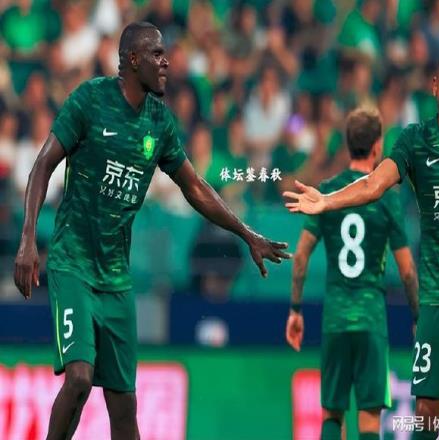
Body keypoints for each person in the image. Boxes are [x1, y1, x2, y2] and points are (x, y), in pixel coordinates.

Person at [13, 21, 291, 440]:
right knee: (80, 377)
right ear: (132, 60)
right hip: (73, 265)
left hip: (116, 278)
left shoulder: (159, 122)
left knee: (125, 408)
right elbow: (42, 166)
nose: (166, 62)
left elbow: (194, 186)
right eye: (157, 54)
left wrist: (247, 233)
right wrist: (28, 239)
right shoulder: (90, 100)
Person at [284, 44, 439, 440]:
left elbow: (303, 256)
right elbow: (373, 184)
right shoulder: (415, 141)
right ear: (434, 86)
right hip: (435, 303)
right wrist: (327, 201)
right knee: (425, 418)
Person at [286, 108, 419, 440]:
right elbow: (407, 271)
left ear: (348, 145)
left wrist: (296, 309)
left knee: (332, 413)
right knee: (370, 417)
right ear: (378, 145)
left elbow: (300, 257)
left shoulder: (327, 193)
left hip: (336, 317)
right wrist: (418, 316)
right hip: (371, 317)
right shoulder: (387, 198)